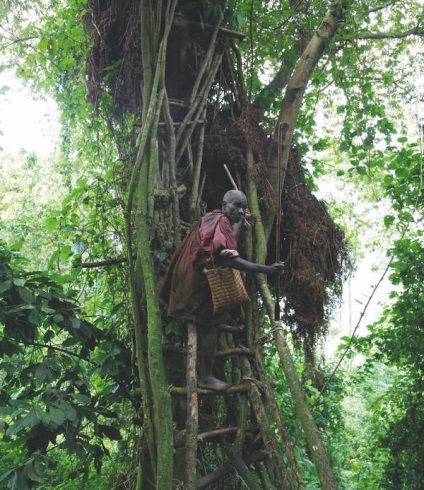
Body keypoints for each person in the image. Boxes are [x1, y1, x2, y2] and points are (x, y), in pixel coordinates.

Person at [160, 190, 284, 391]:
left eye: (244, 208)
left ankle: (207, 374)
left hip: (188, 277)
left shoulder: (215, 218)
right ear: (224, 204)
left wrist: (241, 224)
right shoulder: (221, 221)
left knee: (212, 320)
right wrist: (266, 269)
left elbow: (224, 243)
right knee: (212, 323)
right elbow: (226, 258)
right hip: (197, 280)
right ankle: (206, 377)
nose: (241, 211)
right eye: (237, 206)